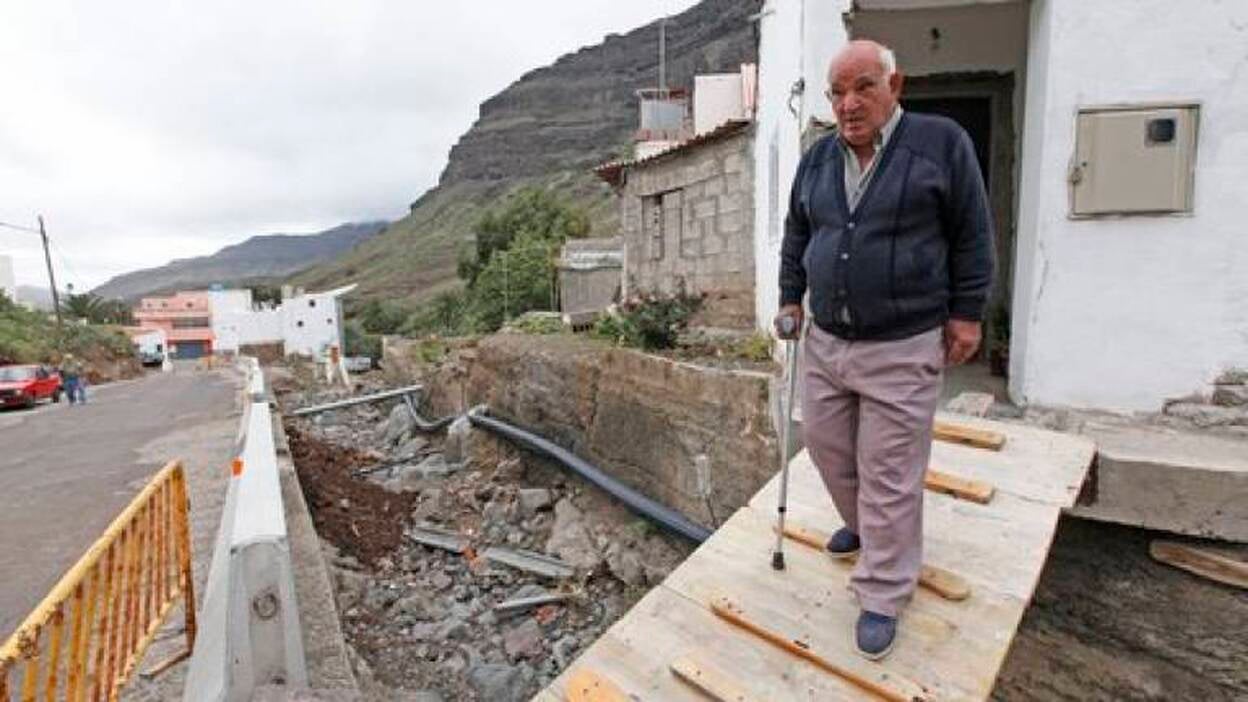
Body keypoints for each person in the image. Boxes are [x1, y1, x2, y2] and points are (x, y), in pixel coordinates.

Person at [775, 40, 994, 659]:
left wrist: (967, 313)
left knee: (890, 473)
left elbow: (972, 233)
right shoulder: (818, 159)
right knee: (826, 446)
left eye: (863, 87)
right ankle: (867, 527)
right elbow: (798, 231)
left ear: (895, 86)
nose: (848, 104)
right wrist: (791, 297)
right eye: (837, 93)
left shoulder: (940, 143)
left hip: (903, 342)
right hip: (828, 341)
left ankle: (883, 590)